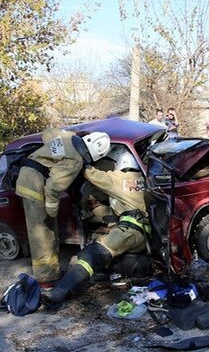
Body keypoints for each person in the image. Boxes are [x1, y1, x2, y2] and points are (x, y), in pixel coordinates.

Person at [44, 148, 149, 304]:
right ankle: (139, 272)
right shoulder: (143, 179)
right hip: (144, 233)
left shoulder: (119, 178)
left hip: (128, 230)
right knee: (113, 254)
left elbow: (93, 175)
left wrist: (80, 161)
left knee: (93, 253)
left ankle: (60, 292)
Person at [15, 129, 110, 288]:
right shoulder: (76, 161)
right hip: (35, 185)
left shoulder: (67, 137)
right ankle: (46, 279)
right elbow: (53, 187)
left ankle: (53, 271)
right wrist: (51, 212)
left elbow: (48, 134)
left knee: (48, 231)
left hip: (27, 177)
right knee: (42, 233)